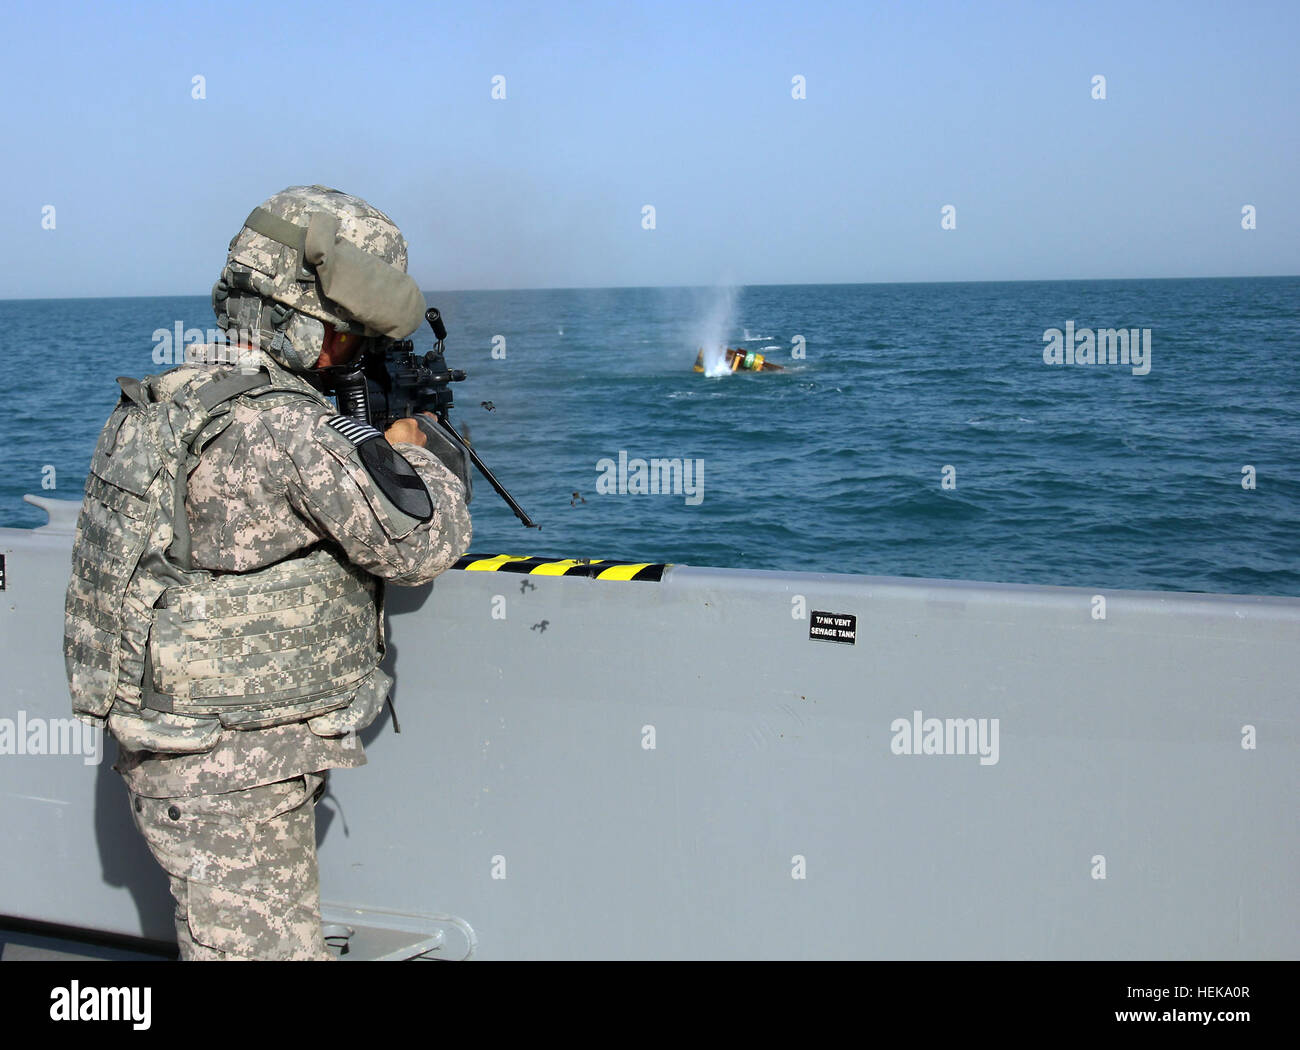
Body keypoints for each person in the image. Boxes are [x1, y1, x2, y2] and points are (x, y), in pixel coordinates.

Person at [63, 185, 473, 960]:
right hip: (234, 779)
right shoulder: (287, 426)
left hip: (192, 758)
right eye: (346, 341)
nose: (345, 358)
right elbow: (423, 544)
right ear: (302, 319)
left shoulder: (170, 399)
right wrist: (413, 444)